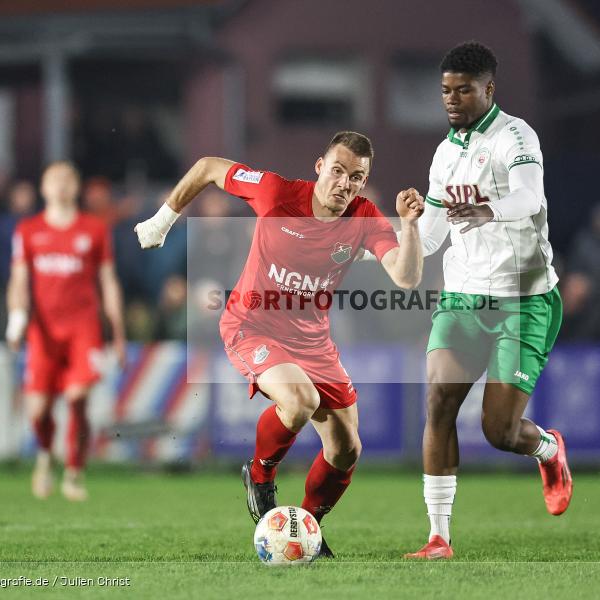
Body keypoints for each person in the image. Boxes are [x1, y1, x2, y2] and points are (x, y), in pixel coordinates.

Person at [133, 131, 424, 558]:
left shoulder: (364, 217)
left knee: (347, 449)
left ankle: (304, 528)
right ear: (319, 167)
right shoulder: (275, 193)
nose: (345, 184)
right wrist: (163, 220)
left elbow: (405, 276)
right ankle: (261, 472)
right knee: (299, 399)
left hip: (313, 342)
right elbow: (210, 166)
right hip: (251, 326)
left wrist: (411, 227)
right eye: (338, 171)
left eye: (356, 177)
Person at [401, 41, 571, 560]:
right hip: (462, 299)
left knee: (498, 432)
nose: (452, 100)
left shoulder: (515, 135)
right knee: (437, 403)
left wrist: (484, 208)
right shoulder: (444, 152)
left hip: (523, 300)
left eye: (463, 90)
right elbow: (431, 238)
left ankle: (547, 448)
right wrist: (405, 228)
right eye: (446, 91)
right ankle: (438, 538)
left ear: (489, 88)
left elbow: (529, 197)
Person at [5, 162, 126, 501]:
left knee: (77, 400)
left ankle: (74, 472)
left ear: (76, 187)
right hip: (42, 331)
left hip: (82, 328)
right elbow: (18, 280)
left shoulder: (94, 229)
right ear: (43, 188)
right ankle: (45, 455)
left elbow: (108, 280)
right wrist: (16, 318)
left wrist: (117, 332)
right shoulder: (28, 230)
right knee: (38, 411)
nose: (60, 185)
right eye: (53, 179)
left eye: (67, 179)